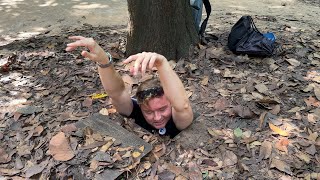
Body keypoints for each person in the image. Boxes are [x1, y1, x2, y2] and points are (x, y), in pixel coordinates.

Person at [66, 36, 193, 138]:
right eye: (148, 112)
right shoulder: (136, 111)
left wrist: (162, 64)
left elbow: (183, 105)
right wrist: (104, 61)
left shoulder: (178, 119)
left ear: (171, 103)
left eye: (162, 109)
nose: (157, 117)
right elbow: (117, 93)